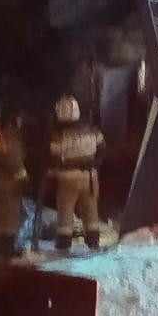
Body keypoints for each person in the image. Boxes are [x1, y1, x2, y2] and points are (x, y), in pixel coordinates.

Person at [48, 93, 105, 251]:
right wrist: (93, 163)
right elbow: (101, 149)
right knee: (91, 211)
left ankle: (63, 244)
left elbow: (53, 159)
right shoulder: (91, 130)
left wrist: (51, 176)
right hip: (90, 178)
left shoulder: (59, 136)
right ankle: (93, 242)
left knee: (65, 213)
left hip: (67, 180)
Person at [0, 109, 30, 260]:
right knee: (10, 216)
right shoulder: (11, 139)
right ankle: (4, 247)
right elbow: (14, 160)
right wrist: (23, 178)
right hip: (9, 183)